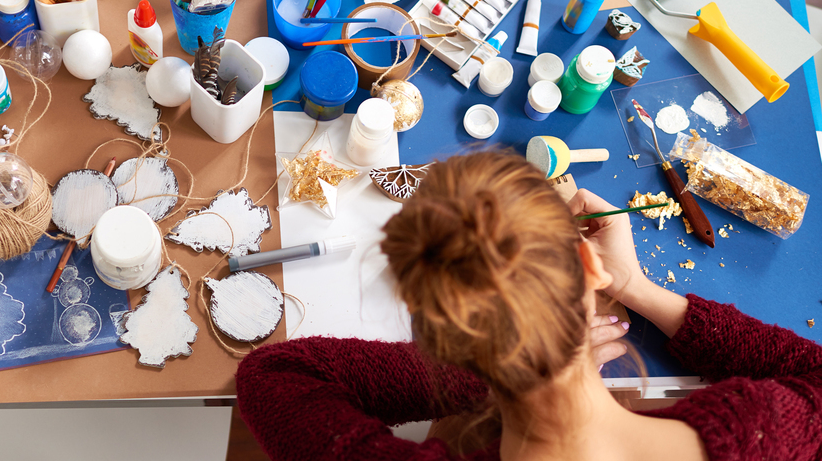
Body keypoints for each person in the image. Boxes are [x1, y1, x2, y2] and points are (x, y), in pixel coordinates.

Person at [236, 151, 822, 460]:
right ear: (589, 265)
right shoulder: (764, 432)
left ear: (444, 339)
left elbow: (273, 376)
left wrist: (497, 373)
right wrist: (634, 286)